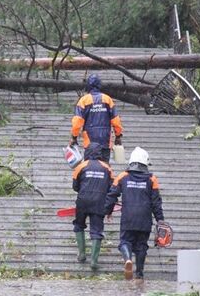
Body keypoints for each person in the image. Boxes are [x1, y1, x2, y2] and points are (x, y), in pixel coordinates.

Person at [105, 147, 165, 280]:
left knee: (125, 241)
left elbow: (111, 195)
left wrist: (107, 211)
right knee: (142, 245)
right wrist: (160, 220)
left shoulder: (122, 176)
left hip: (128, 217)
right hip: (145, 218)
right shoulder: (152, 179)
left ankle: (127, 259)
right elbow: (156, 202)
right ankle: (139, 273)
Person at [71, 142, 115, 271]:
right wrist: (109, 206)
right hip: (99, 202)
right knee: (96, 230)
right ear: (100, 153)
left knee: (79, 225)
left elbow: (75, 186)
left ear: (87, 152)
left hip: (83, 201)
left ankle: (82, 254)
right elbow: (112, 188)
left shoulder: (81, 166)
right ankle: (94, 261)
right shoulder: (107, 168)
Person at [70, 74, 123, 162]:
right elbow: (116, 121)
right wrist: (118, 136)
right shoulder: (108, 99)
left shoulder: (84, 100)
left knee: (89, 167)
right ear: (99, 85)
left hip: (89, 143)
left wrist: (74, 137)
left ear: (88, 85)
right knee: (105, 168)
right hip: (105, 141)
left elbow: (77, 122)